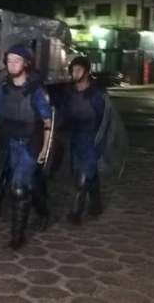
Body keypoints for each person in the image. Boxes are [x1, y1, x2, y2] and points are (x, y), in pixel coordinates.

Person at [0, 44, 51, 250]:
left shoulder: (36, 91)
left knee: (17, 188)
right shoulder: (2, 89)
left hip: (29, 145)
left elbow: (48, 121)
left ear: (26, 63)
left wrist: (44, 149)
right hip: (8, 144)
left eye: (17, 60)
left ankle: (17, 236)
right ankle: (43, 211)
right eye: (9, 60)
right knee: (25, 186)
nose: (12, 64)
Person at [62, 56, 105, 224]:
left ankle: (75, 212)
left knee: (83, 176)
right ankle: (96, 205)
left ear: (86, 72)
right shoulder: (69, 93)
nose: (75, 73)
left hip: (92, 139)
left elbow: (105, 118)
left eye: (79, 70)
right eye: (73, 70)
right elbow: (64, 113)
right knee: (86, 173)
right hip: (76, 138)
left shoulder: (96, 95)